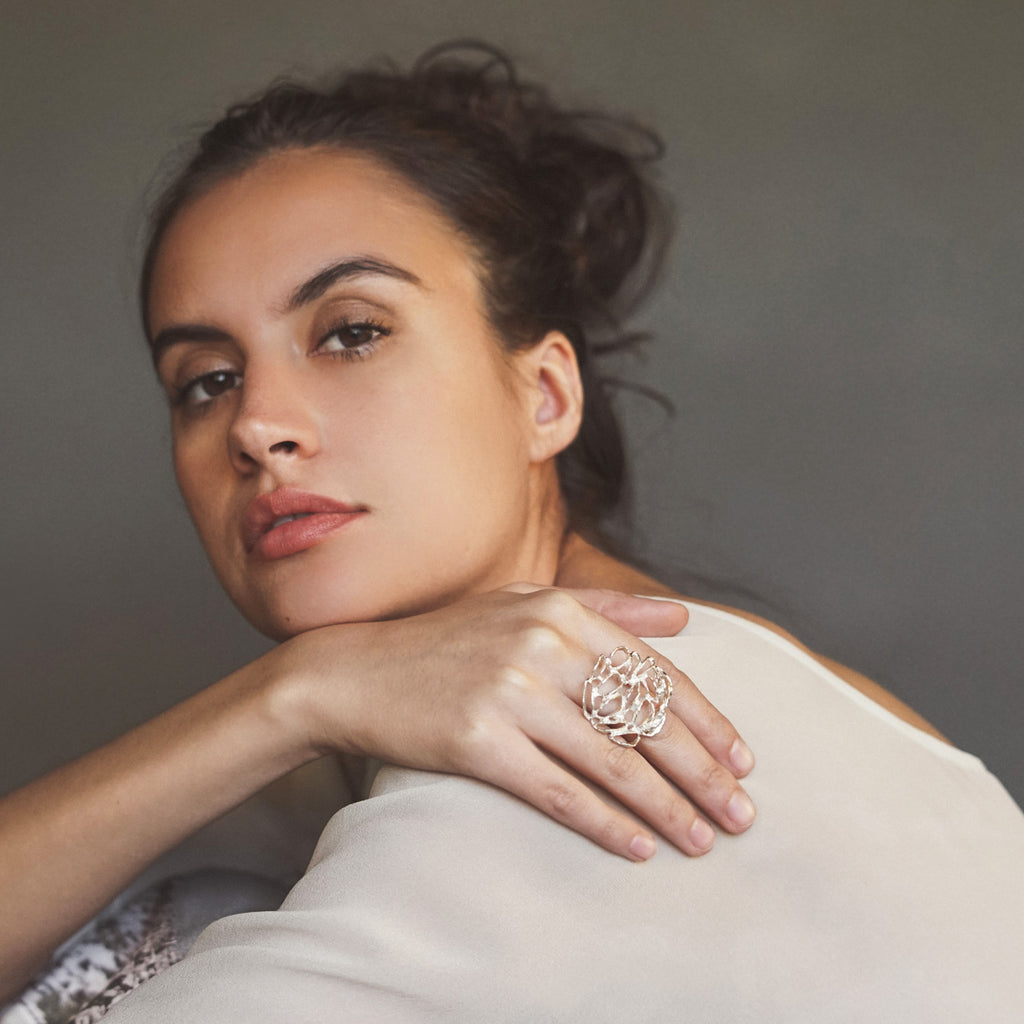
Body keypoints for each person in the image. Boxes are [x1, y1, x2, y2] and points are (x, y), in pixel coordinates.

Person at [3, 42, 1021, 1024]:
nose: (258, 426)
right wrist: (291, 698)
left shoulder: (560, 772)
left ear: (542, 394)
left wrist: (299, 697)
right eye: (205, 381)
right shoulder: (805, 694)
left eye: (352, 331)